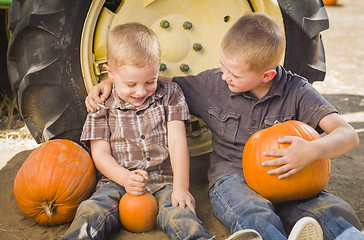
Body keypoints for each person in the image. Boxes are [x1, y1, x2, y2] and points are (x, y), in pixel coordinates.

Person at [85, 13, 364, 240]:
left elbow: (348, 135)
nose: (224, 76)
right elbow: (157, 83)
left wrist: (314, 150)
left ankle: (344, 236)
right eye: (223, 66)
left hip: (290, 175)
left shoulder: (297, 90)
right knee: (251, 211)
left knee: (328, 208)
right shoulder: (213, 83)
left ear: (268, 74)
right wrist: (113, 82)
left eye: (234, 73)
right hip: (232, 176)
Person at [62, 22, 263, 240]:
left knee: (182, 215)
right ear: (110, 73)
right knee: (91, 210)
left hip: (164, 181)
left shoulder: (170, 94)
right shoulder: (101, 103)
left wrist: (181, 187)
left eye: (150, 81)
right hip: (116, 181)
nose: (141, 91)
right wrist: (125, 178)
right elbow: (100, 154)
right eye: (130, 84)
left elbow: (177, 142)